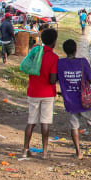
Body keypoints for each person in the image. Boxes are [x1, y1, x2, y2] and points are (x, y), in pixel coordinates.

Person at [56, 39, 91, 159]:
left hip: (70, 101)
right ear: (76, 49)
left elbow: (55, 79)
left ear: (65, 51)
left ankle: (78, 152)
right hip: (86, 100)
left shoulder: (60, 64)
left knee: (74, 127)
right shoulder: (82, 62)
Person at [23, 28, 59, 159]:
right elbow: (52, 79)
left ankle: (25, 149)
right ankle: (44, 152)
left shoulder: (35, 53)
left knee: (31, 122)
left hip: (33, 91)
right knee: (45, 123)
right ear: (54, 42)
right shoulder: (54, 57)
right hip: (47, 93)